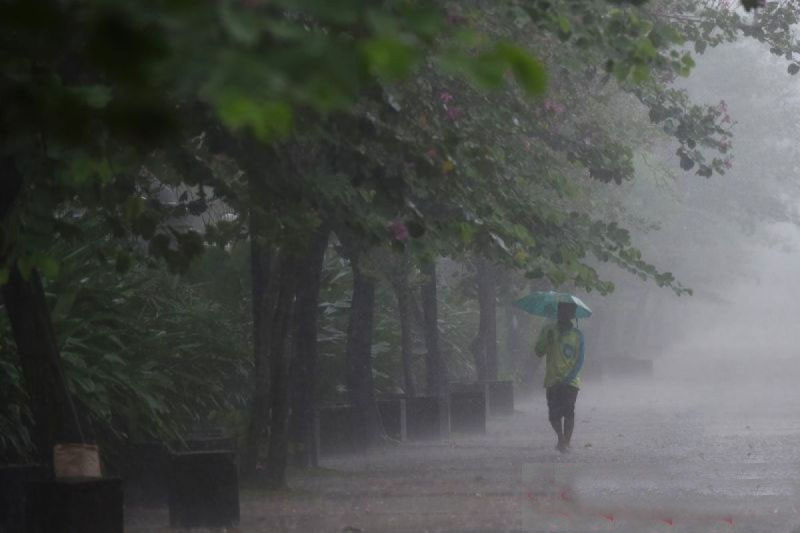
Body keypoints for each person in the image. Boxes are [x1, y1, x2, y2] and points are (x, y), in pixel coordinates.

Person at [535, 301, 584, 453]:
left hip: (571, 381)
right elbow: (538, 351)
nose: (563, 314)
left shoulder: (577, 335)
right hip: (552, 380)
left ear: (572, 314)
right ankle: (560, 438)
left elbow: (579, 360)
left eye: (567, 311)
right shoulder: (548, 330)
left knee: (569, 411)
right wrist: (547, 341)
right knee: (553, 413)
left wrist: (568, 378)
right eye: (561, 311)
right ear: (558, 312)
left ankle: (566, 442)